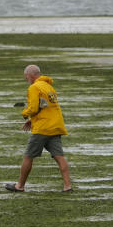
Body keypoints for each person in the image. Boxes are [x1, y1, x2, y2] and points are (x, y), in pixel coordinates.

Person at [5, 64, 72, 192]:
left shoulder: (34, 87)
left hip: (42, 128)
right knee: (59, 156)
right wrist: (32, 120)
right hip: (55, 126)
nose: (27, 80)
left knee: (28, 156)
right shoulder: (49, 87)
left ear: (31, 75)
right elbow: (45, 108)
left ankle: (19, 186)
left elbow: (34, 108)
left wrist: (24, 114)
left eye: (26, 78)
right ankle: (67, 186)